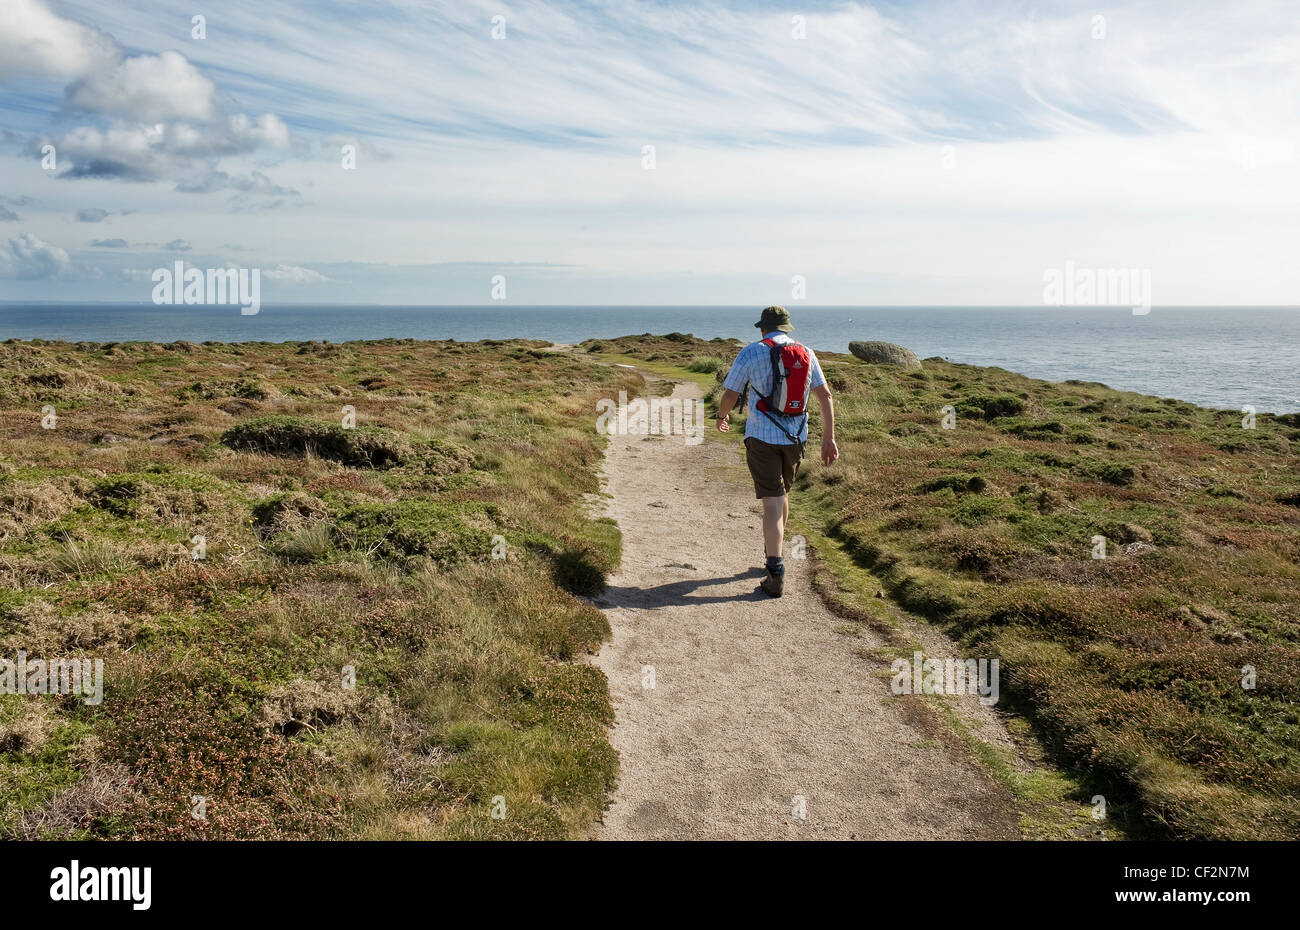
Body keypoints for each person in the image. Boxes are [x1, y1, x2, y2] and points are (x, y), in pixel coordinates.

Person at [716, 306, 838, 597]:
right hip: (796, 437)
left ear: (762, 328)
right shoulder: (806, 352)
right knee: (782, 496)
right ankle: (776, 549)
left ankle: (775, 572)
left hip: (761, 437)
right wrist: (829, 439)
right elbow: (825, 396)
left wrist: (722, 416)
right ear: (786, 328)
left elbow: (731, 393)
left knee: (771, 502)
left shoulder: (751, 352)